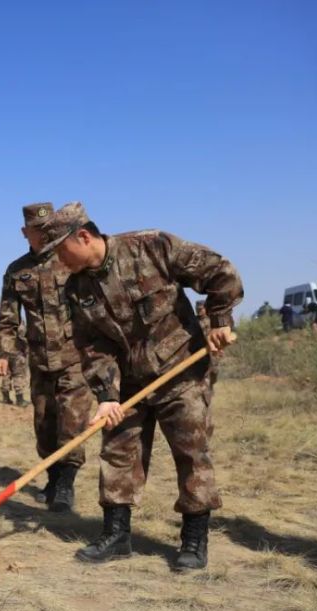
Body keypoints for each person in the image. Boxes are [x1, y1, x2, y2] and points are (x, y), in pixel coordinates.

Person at [46, 202, 242, 570]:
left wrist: (220, 319)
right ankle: (117, 535)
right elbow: (92, 346)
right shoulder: (76, 288)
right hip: (129, 382)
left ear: (83, 236)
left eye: (59, 250)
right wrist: (107, 396)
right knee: (118, 453)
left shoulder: (151, 247)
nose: (58, 261)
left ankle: (194, 540)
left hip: (180, 372)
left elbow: (220, 271)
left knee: (191, 452)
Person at [0, 202, 94, 511]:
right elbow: (8, 319)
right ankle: (52, 477)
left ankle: (65, 484)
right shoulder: (16, 271)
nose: (44, 235)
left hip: (74, 356)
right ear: (25, 232)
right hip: (38, 360)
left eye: (48, 229)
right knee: (44, 424)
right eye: (38, 231)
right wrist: (4, 353)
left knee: (72, 422)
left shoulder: (71, 260)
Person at [0, 325, 30, 407]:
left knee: (6, 375)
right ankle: (20, 400)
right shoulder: (20, 326)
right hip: (18, 354)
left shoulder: (7, 326)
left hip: (6, 354)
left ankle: (6, 398)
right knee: (18, 376)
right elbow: (24, 339)